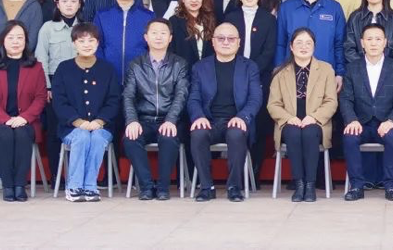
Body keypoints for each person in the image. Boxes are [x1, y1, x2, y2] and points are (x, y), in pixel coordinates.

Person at [189, 23, 262, 203]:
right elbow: (193, 98)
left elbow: (255, 98)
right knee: (197, 134)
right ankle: (207, 187)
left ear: (239, 42)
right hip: (210, 121)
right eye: (221, 38)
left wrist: (242, 117)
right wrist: (198, 116)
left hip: (237, 120)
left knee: (236, 134)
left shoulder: (249, 67)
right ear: (213, 42)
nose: (226, 42)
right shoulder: (200, 67)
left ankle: (234, 187)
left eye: (231, 39)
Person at [50, 23, 121, 202]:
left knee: (96, 138)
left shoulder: (107, 69)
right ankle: (74, 187)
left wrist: (99, 121)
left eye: (91, 40)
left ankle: (90, 187)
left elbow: (114, 100)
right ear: (74, 43)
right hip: (71, 127)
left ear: (98, 43)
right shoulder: (64, 68)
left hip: (102, 126)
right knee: (81, 137)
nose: (87, 45)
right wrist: (78, 122)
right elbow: (59, 101)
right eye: (81, 41)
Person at [0, 21, 49, 202]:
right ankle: (8, 186)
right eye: (11, 38)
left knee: (22, 134)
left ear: (26, 41)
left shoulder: (36, 67)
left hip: (27, 121)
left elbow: (40, 98)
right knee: (6, 134)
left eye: (20, 37)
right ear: (3, 40)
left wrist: (24, 118)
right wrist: (5, 119)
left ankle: (20, 185)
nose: (16, 42)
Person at [267, 28, 338, 202]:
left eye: (308, 43)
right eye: (299, 43)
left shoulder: (326, 70)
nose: (303, 47)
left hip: (316, 122)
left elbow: (331, 102)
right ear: (291, 47)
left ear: (314, 46)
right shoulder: (280, 72)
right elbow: (273, 104)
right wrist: (288, 118)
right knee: (293, 133)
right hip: (289, 121)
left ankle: (310, 185)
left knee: (309, 132)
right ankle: (299, 184)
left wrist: (313, 117)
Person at [340, 24, 393, 201]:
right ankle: (357, 186)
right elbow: (346, 99)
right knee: (350, 137)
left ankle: (390, 186)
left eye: (378, 39)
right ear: (362, 42)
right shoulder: (353, 68)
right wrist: (351, 119)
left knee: (392, 137)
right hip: (361, 122)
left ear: (385, 42)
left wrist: (391, 121)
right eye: (369, 39)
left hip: (385, 122)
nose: (373, 43)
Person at [122, 18, 189, 200]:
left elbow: (181, 95)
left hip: (169, 119)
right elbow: (128, 96)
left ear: (170, 38)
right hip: (144, 119)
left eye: (163, 33)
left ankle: (163, 187)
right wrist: (132, 120)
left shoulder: (179, 64)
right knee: (130, 138)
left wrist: (171, 120)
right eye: (154, 33)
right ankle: (146, 186)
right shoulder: (136, 65)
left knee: (168, 137)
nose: (158, 37)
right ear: (146, 37)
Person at [224, 0, 277, 180]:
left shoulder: (268, 19)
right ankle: (237, 171)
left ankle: (255, 169)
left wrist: (252, 71)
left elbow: (269, 50)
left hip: (260, 76)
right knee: (237, 120)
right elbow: (225, 46)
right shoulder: (230, 18)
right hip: (233, 74)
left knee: (259, 122)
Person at [33, 0, 83, 182]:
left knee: (78, 129)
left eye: (73, 1)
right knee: (54, 130)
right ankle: (57, 175)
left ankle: (77, 176)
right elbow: (41, 58)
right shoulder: (48, 28)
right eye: (65, 1)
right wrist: (47, 86)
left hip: (82, 84)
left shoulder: (85, 27)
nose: (69, 5)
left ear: (79, 4)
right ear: (57, 4)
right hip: (55, 84)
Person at [275, 0, 347, 82]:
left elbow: (339, 44)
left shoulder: (334, 8)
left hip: (325, 74)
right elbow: (280, 43)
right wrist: (278, 70)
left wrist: (339, 73)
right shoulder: (286, 8)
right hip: (291, 74)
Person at [93, 0, 153, 84]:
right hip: (109, 77)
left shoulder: (148, 16)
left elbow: (152, 47)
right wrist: (102, 70)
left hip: (140, 79)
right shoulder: (102, 15)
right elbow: (97, 45)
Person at [169, 0, 216, 69]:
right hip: (183, 71)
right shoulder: (174, 21)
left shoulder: (211, 20)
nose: (194, 0)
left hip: (207, 71)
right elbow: (171, 51)